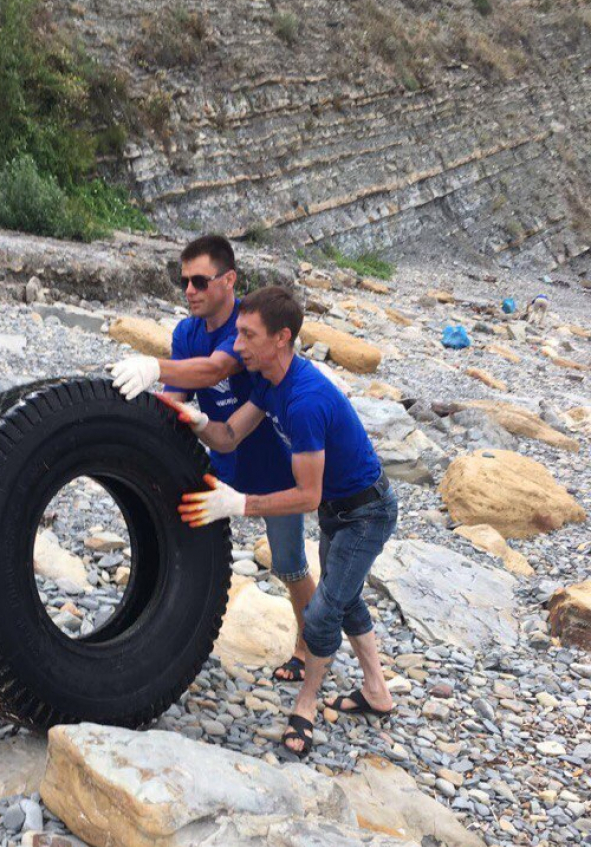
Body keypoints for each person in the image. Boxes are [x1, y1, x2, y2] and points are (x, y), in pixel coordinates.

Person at [163, 285, 398, 758]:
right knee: (347, 599)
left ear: (282, 338)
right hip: (340, 509)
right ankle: (377, 692)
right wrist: (195, 420)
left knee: (322, 612)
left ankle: (306, 707)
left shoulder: (305, 400)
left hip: (366, 513)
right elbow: (228, 436)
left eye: (248, 336)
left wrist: (240, 504)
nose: (237, 345)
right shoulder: (270, 383)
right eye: (238, 334)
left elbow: (306, 496)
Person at [109, 235, 315, 682]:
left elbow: (216, 370)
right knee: (185, 542)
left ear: (228, 280)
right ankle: (168, 633)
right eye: (183, 281)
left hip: (272, 469)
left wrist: (153, 366)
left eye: (200, 281)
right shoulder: (186, 332)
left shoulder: (248, 330)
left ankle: (307, 647)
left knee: (289, 564)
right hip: (219, 459)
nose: (189, 291)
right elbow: (176, 399)